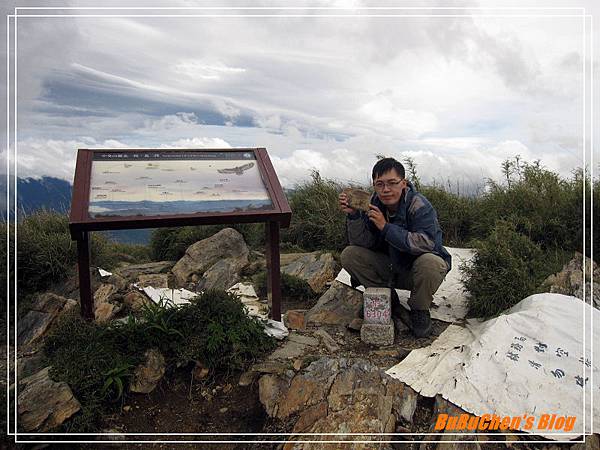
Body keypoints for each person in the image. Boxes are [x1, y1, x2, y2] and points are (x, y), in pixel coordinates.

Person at [338, 157, 451, 338]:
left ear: (403, 183)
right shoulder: (373, 205)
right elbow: (364, 243)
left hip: (415, 271)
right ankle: (387, 297)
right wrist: (354, 217)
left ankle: (419, 309)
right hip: (390, 267)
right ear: (374, 185)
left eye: (392, 183)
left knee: (432, 263)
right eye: (380, 184)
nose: (386, 190)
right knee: (350, 255)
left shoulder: (419, 205)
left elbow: (427, 243)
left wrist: (386, 227)